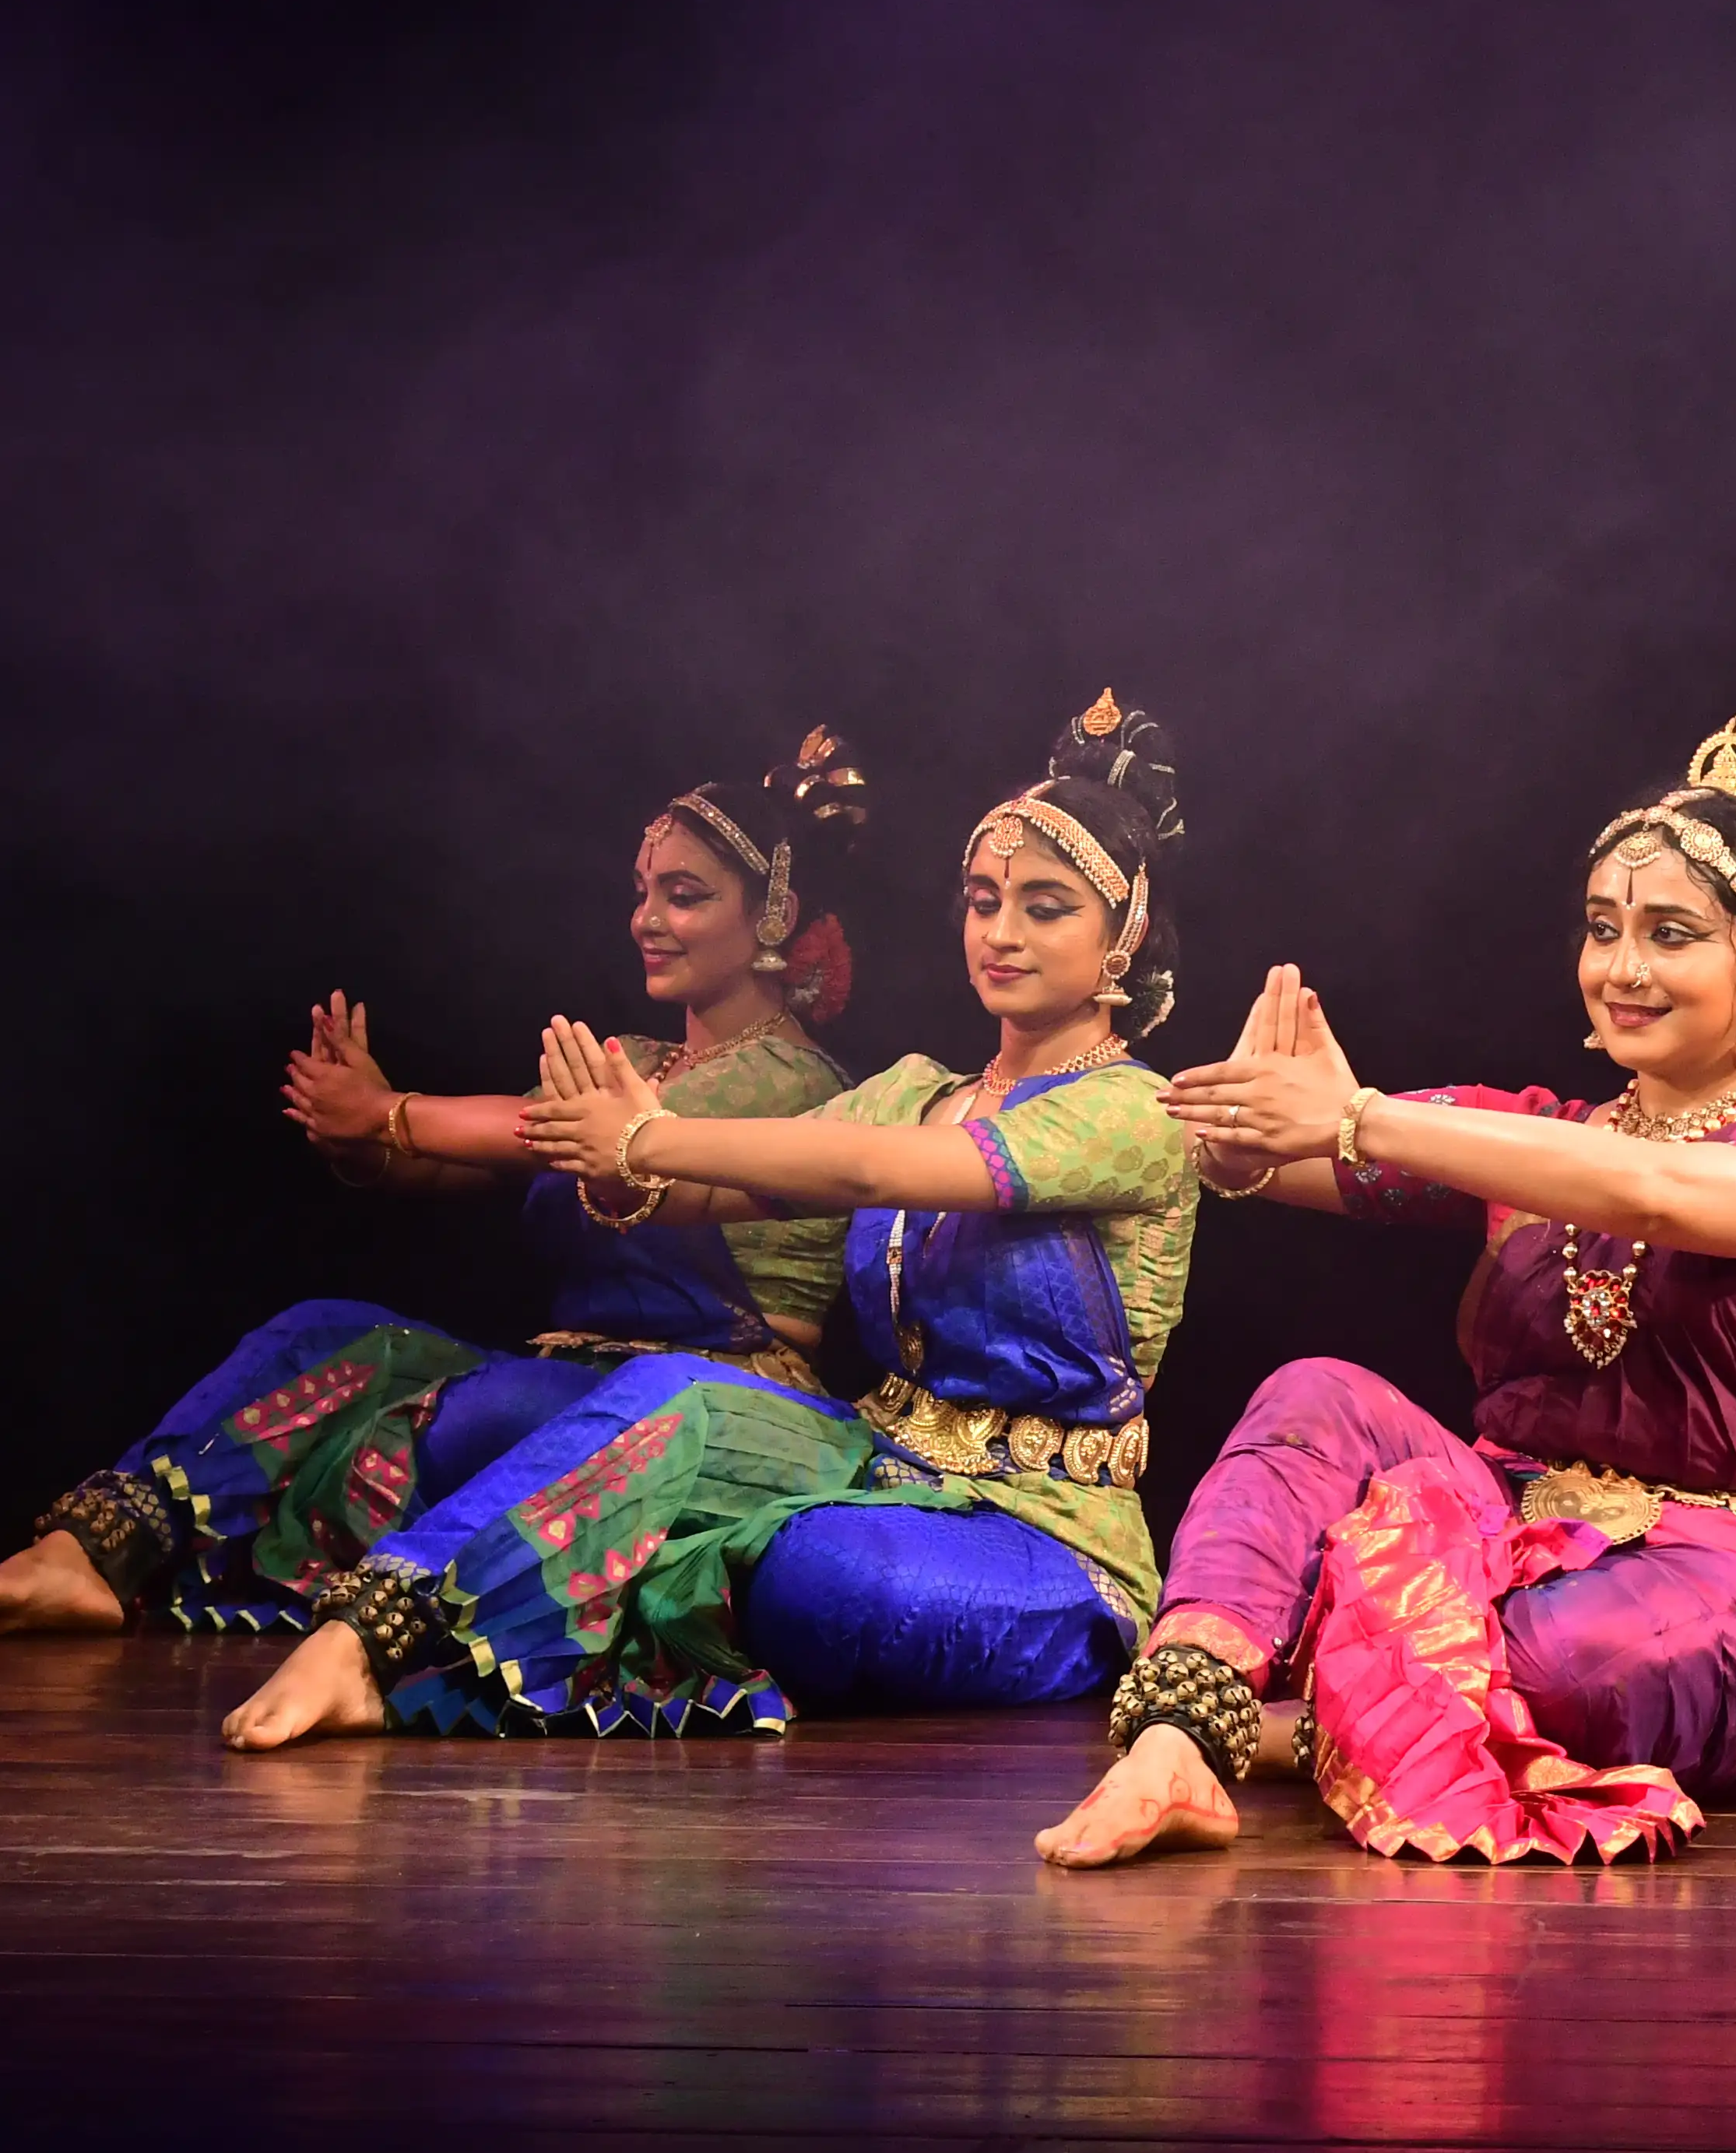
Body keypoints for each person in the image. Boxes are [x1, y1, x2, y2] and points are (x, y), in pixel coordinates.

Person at [211, 695, 1197, 1747]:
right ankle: (380, 1641)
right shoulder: (918, 1085)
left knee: (824, 1577)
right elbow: (724, 1193)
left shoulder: (1135, 1112)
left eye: (1044, 908)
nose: (999, 933)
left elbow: (872, 1169)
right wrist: (611, 1155)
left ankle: (634, 1601)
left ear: (1123, 935)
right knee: (676, 1396)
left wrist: (649, 1139)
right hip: (881, 1461)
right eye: (982, 899)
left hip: (1045, 1537)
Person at [1034, 713, 1736, 1868]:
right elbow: (1301, 1155)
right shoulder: (1536, 1134)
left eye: (1673, 934)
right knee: (1317, 1394)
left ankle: (1321, 1718)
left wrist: (1364, 1116)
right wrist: (1244, 1141)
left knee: (1561, 1662)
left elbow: (1661, 1195)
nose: (1623, 969)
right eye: (1602, 930)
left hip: (1732, 1582)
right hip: (1505, 1522)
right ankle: (1178, 1741)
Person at [0, 731, 867, 1641]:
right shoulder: (639, 1060)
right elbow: (473, 1155)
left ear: (772, 918)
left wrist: (386, 1109)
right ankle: (83, 1557)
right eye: (642, 893)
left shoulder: (792, 1079)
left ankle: (381, 1623)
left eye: (685, 895)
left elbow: (539, 1134)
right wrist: (363, 1142)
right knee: (322, 1332)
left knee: (482, 1409)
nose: (646, 920)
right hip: (575, 1368)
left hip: (703, 1391)